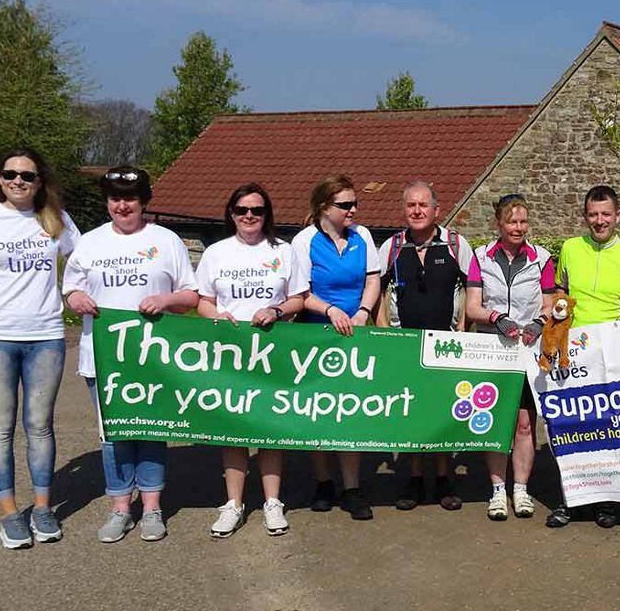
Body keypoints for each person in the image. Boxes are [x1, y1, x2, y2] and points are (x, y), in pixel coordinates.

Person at [0, 149, 81, 549]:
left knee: (40, 426)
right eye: (10, 174)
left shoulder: (56, 220)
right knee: (0, 428)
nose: (18, 181)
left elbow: (85, 266)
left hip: (45, 337)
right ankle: (10, 514)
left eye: (27, 175)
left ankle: (42, 508)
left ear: (40, 182)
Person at [62, 166, 199, 543]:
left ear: (144, 202)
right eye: (115, 198)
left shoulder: (166, 240)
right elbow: (70, 289)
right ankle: (120, 508)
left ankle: (152, 507)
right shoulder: (90, 242)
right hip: (103, 357)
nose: (122, 206)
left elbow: (190, 296)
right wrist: (76, 298)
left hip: (153, 358)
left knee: (151, 429)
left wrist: (165, 300)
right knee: (115, 433)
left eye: (130, 199)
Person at [196, 183, 307, 538]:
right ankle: (233, 504)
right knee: (233, 428)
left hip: (272, 350)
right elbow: (203, 301)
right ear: (231, 214)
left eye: (257, 210)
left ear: (266, 215)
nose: (249, 216)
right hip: (230, 353)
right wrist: (216, 315)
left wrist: (276, 310)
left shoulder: (283, 251)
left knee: (269, 427)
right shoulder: (216, 252)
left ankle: (273, 502)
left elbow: (299, 298)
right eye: (242, 210)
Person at [547, 184, 620, 529]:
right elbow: (561, 291)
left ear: (618, 216)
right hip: (574, 352)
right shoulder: (570, 248)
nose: (600, 221)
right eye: (593, 214)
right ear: (584, 216)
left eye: (606, 214)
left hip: (612, 354)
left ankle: (607, 501)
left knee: (607, 428)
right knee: (571, 428)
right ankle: (571, 500)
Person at [377, 180, 474, 511]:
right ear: (403, 210)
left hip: (446, 345)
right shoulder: (392, 247)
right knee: (411, 413)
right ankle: (415, 479)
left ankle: (444, 478)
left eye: (423, 205)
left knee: (443, 412)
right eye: (411, 205)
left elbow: (472, 291)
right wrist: (384, 335)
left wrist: (462, 332)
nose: (417, 211)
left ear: (436, 210)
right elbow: (377, 291)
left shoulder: (456, 244)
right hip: (405, 345)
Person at [290, 174, 381, 521]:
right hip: (317, 333)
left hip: (355, 333)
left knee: (350, 411)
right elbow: (301, 292)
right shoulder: (304, 241)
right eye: (345, 205)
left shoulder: (362, 236)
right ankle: (324, 482)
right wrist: (329, 310)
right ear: (324, 207)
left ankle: (352, 488)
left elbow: (372, 279)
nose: (353, 210)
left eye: (355, 203)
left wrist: (363, 312)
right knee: (320, 410)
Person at [464, 193, 555, 522]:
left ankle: (521, 489)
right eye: (512, 222)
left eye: (523, 221)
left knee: (524, 423)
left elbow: (550, 305)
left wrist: (540, 322)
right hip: (492, 349)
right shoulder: (481, 257)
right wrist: (494, 317)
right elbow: (472, 307)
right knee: (495, 421)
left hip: (527, 351)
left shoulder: (541, 259)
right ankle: (497, 490)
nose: (519, 228)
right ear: (498, 224)